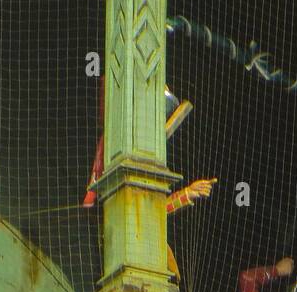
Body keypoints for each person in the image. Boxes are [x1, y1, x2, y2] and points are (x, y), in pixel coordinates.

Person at [84, 86, 215, 279]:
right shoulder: (116, 143)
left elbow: (152, 208)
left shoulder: (149, 153)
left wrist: (187, 194)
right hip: (119, 243)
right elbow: (102, 200)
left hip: (142, 250)